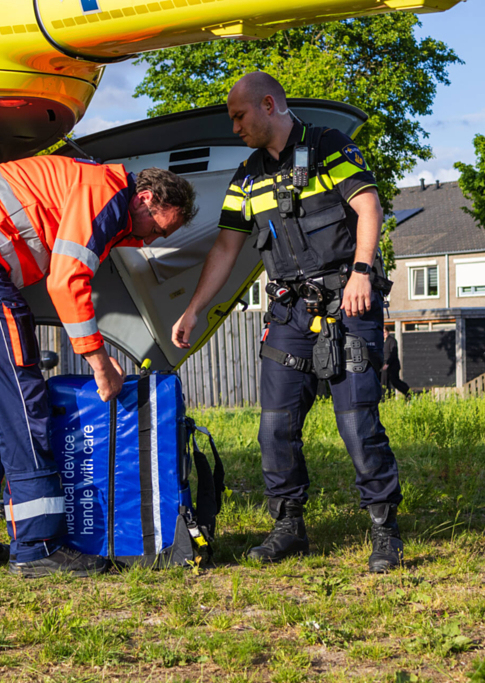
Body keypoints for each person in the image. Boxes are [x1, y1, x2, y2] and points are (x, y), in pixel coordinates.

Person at [171, 72, 404, 572]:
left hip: (349, 301)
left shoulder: (328, 146)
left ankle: (385, 529)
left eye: (239, 116)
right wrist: (194, 309)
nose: (234, 126)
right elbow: (226, 248)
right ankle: (288, 525)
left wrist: (363, 271)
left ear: (269, 104)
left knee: (357, 424)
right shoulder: (247, 176)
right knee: (274, 428)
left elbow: (368, 206)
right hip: (288, 311)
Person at [0, 156, 196, 577]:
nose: (149, 241)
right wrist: (100, 364)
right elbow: (66, 280)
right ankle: (36, 546)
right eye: (158, 228)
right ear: (145, 198)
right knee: (22, 398)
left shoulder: (98, 191)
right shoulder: (105, 192)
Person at [381, 327, 411, 398]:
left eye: (385, 332)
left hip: (392, 365)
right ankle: (385, 398)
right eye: (382, 333)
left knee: (394, 381)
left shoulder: (392, 341)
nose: (383, 334)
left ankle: (407, 392)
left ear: (388, 332)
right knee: (384, 382)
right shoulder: (382, 342)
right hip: (384, 365)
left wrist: (387, 363)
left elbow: (393, 353)